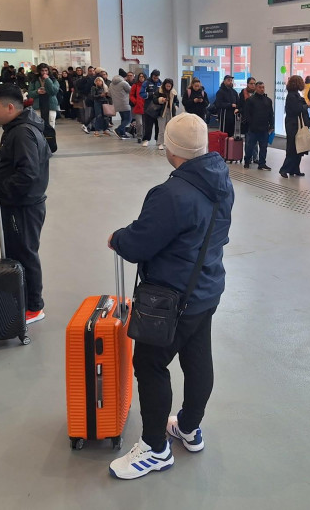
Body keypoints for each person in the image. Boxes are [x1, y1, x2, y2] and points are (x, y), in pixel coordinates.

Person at [107, 113, 234, 480]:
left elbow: (139, 243)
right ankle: (189, 428)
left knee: (150, 364)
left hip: (173, 301)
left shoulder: (170, 194)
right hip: (207, 288)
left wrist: (118, 238)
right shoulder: (222, 180)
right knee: (196, 358)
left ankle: (155, 448)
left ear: (171, 148)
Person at [0, 84, 51, 323]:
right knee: (17, 252)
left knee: (25, 254)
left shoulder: (22, 132)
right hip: (17, 204)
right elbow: (14, 162)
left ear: (9, 107)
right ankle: (22, 299)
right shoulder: (15, 128)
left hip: (23, 208)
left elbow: (28, 174)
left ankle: (34, 307)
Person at [278, 75, 310, 178]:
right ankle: (284, 169)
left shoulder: (295, 95)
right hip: (293, 124)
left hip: (295, 123)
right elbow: (297, 109)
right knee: (292, 147)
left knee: (299, 147)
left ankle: (295, 169)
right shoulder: (292, 96)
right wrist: (306, 106)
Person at [241, 80, 273, 170]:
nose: (262, 89)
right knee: (250, 146)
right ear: (256, 88)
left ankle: (262, 163)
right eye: (260, 87)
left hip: (264, 128)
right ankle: (247, 161)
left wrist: (272, 125)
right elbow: (247, 114)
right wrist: (251, 124)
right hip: (253, 128)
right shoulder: (250, 100)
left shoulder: (268, 100)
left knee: (264, 147)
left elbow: (271, 114)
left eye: (263, 87)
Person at [152, 78, 180, 151]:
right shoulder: (159, 90)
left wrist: (176, 107)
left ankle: (167, 142)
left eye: (169, 86)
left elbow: (177, 101)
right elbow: (154, 99)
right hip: (161, 112)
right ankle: (160, 143)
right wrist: (161, 99)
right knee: (161, 128)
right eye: (166, 86)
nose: (168, 88)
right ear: (164, 85)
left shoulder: (173, 92)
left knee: (169, 129)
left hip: (170, 112)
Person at [29, 64, 58, 129]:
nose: (44, 72)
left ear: (48, 71)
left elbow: (54, 91)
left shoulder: (53, 80)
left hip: (50, 105)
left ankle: (50, 138)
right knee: (38, 125)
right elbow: (30, 93)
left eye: (46, 70)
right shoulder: (34, 81)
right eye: (42, 71)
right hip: (38, 105)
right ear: (39, 71)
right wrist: (37, 92)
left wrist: (48, 79)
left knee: (51, 124)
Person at [141, 70, 163, 147]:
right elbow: (142, 94)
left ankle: (158, 140)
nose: (156, 79)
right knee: (148, 125)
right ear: (152, 76)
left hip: (158, 107)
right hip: (148, 107)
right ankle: (146, 139)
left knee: (158, 125)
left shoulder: (161, 83)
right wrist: (152, 94)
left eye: (157, 77)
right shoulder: (146, 83)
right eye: (154, 77)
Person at [110, 71, 132, 139]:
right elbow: (130, 90)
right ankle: (118, 129)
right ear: (124, 77)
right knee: (128, 119)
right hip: (125, 103)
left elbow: (109, 93)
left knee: (123, 119)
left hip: (117, 104)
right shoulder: (124, 83)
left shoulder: (111, 84)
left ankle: (122, 133)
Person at [130, 72, 147, 142]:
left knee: (145, 124)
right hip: (138, 107)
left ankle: (144, 136)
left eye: (142, 76)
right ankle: (139, 136)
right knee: (139, 123)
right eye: (140, 76)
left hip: (146, 107)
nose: (141, 78)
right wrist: (135, 101)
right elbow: (131, 95)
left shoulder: (148, 85)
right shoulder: (135, 85)